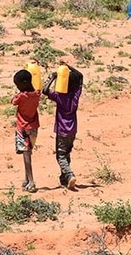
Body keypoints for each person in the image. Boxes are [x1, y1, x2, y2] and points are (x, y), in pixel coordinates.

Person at [42, 62, 84, 190]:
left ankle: (70, 175)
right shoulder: (76, 95)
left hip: (62, 130)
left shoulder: (60, 96)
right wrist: (69, 66)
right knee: (67, 153)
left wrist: (53, 77)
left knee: (60, 155)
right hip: (73, 130)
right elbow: (80, 76)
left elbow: (44, 90)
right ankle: (64, 178)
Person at [12, 70, 42, 193]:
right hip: (34, 127)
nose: (17, 87)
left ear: (23, 83)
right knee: (28, 153)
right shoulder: (37, 94)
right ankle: (26, 179)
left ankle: (31, 181)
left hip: (22, 128)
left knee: (26, 155)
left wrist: (20, 92)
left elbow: (13, 102)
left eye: (18, 85)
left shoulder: (21, 96)